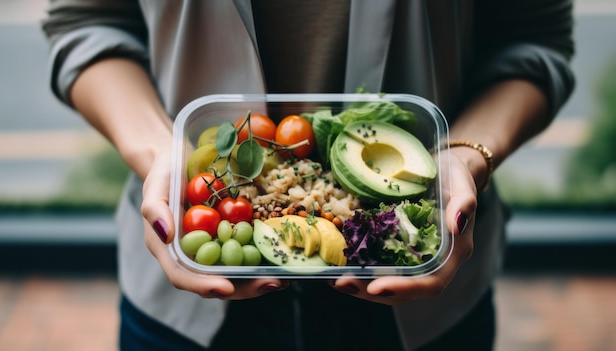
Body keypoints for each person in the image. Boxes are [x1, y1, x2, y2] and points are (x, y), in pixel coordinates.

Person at [42, 1, 575, 350]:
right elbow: (88, 23)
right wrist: (167, 154)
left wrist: (465, 156)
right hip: (184, 287)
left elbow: (534, 43)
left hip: (424, 295)